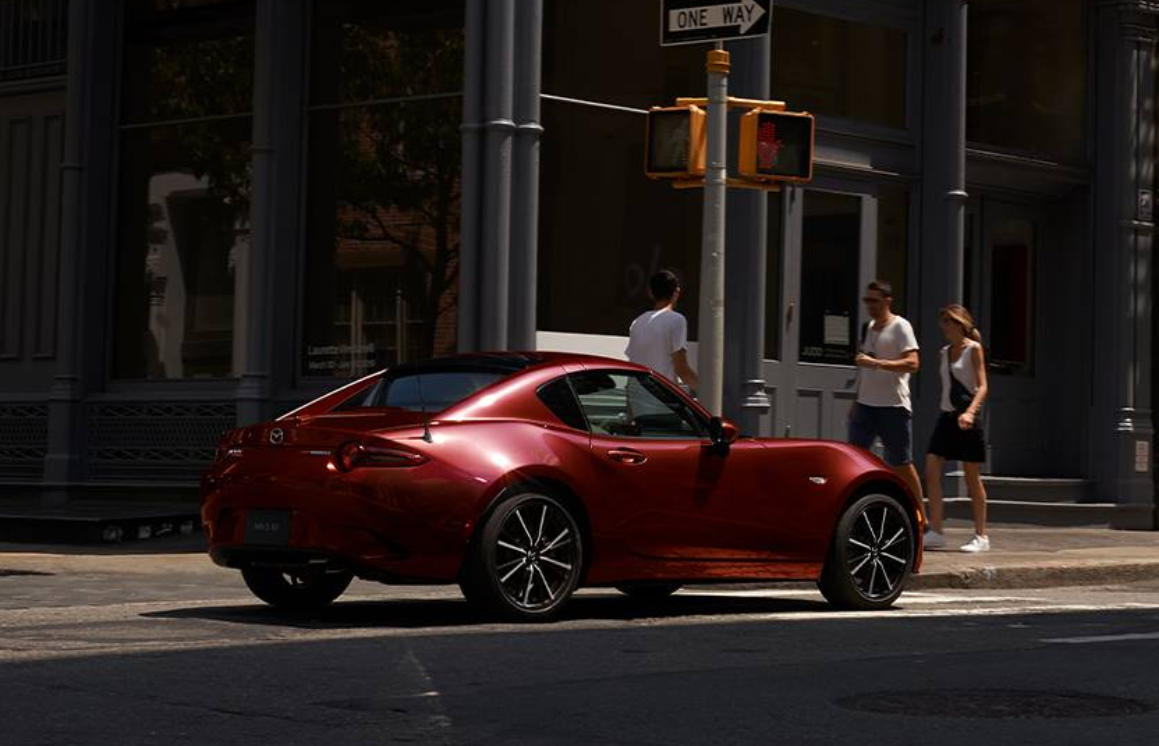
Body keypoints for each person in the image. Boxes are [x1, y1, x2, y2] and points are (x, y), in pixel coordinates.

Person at [849, 280, 924, 508]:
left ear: (887, 301)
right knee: (855, 459)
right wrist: (856, 399)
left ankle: (921, 516)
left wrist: (877, 363)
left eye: (874, 301)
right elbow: (865, 367)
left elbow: (913, 363)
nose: (869, 305)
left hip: (893, 407)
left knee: (901, 463)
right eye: (867, 300)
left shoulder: (901, 326)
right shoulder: (868, 327)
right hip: (864, 406)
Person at [923, 304, 990, 553]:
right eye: (943, 322)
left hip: (967, 417)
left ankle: (981, 536)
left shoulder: (973, 349)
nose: (944, 326)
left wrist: (971, 412)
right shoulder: (943, 352)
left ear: (960, 324)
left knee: (972, 477)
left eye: (948, 322)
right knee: (931, 467)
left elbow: (983, 386)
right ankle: (937, 531)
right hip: (947, 417)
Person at [626, 269, 699, 391]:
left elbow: (633, 364)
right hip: (663, 398)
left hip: (637, 397)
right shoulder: (677, 320)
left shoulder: (637, 322)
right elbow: (682, 369)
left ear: (650, 293)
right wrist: (706, 392)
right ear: (677, 292)